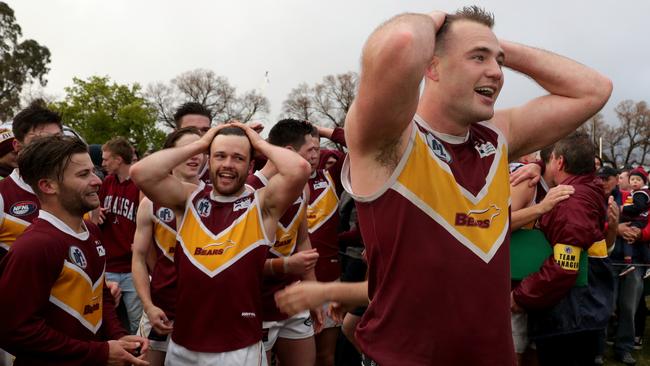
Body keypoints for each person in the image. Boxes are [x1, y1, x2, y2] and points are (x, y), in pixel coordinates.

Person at [337, 6, 611, 365]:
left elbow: (594, 89)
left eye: (499, 61)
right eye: (478, 58)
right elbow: (401, 41)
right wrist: (439, 20)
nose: (497, 72)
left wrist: (495, 46)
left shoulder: (497, 137)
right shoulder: (390, 139)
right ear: (431, 66)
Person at [130, 123, 310, 365]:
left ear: (250, 165)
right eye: (220, 156)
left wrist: (258, 143)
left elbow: (299, 168)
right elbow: (141, 172)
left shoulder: (261, 204)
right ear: (209, 161)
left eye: (238, 158)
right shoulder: (188, 199)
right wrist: (202, 143)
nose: (227, 164)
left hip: (238, 348)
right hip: (182, 345)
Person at [0, 135, 149, 365]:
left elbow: (100, 296)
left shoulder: (92, 230)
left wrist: (119, 339)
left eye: (93, 170)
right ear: (48, 186)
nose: (97, 180)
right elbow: (14, 331)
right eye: (83, 174)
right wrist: (99, 353)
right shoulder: (35, 246)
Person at [511, 133, 613, 365]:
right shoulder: (589, 189)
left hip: (572, 314)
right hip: (579, 310)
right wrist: (537, 165)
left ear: (559, 162)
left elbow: (564, 266)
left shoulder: (570, 201)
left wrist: (521, 296)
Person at [246, 119, 320, 366]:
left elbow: (302, 240)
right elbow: (239, 262)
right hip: (257, 306)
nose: (315, 157)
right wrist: (286, 265)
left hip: (293, 300)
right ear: (288, 153)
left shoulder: (303, 188)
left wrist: (314, 294)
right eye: (311, 150)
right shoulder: (248, 192)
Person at [131, 127, 205, 366]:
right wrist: (148, 305)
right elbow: (140, 258)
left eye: (201, 149)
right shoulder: (149, 204)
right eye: (186, 149)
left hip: (202, 312)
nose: (194, 156)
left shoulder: (217, 199)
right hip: (161, 310)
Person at [0, 103, 62, 261]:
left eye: (57, 139)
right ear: (17, 145)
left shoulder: (77, 190)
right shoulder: (3, 195)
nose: (51, 147)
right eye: (39, 140)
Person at [94, 136, 143, 334]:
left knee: (136, 322)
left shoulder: (140, 184)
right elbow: (94, 214)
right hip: (109, 265)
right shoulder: (107, 182)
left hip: (133, 267)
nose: (103, 163)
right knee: (105, 321)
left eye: (106, 159)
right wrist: (97, 214)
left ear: (118, 159)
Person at [618, 167, 650, 277]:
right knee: (642, 244)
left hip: (639, 221)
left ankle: (628, 263)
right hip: (640, 221)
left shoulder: (641, 193)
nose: (634, 182)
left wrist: (623, 209)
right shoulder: (636, 192)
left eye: (638, 179)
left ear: (644, 182)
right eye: (632, 179)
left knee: (627, 235)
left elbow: (638, 207)